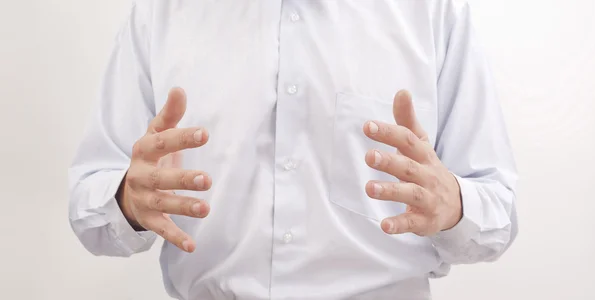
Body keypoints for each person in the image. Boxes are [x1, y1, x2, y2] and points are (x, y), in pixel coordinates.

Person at [68, 1, 519, 299]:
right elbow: (91, 204)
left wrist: (453, 203)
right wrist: (128, 200)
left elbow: (498, 209)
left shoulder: (433, 11)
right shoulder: (162, 12)